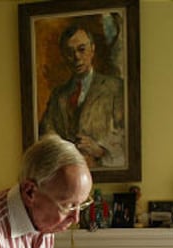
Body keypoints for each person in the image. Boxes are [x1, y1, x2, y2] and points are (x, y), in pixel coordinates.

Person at [38, 23, 125, 169]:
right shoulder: (58, 95)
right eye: (70, 52)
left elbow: (128, 137)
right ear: (64, 56)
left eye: (81, 49)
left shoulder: (115, 88)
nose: (76, 57)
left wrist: (100, 151)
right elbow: (45, 136)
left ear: (93, 49)